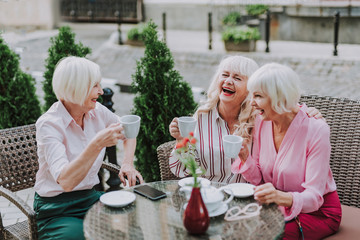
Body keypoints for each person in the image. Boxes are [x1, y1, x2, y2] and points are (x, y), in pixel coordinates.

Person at [33, 56, 144, 240]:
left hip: (90, 199)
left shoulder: (97, 111)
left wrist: (127, 163)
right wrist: (97, 143)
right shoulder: (49, 124)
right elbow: (66, 181)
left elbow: (129, 131)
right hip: (56, 207)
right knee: (79, 236)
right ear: (75, 87)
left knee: (131, 225)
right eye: (95, 85)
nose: (100, 91)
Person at [169, 56, 323, 183]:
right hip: (209, 196)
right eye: (225, 75)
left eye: (237, 78)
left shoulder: (260, 118)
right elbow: (180, 170)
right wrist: (181, 141)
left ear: (251, 89)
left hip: (246, 200)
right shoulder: (202, 117)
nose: (229, 81)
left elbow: (285, 106)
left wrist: (309, 112)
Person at [231, 63, 341, 239]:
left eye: (258, 96)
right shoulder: (262, 121)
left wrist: (279, 197)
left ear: (279, 98)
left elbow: (314, 198)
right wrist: (246, 159)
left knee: (261, 234)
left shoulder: (316, 129)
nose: (251, 103)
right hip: (279, 207)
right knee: (234, 225)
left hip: (318, 213)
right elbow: (259, 178)